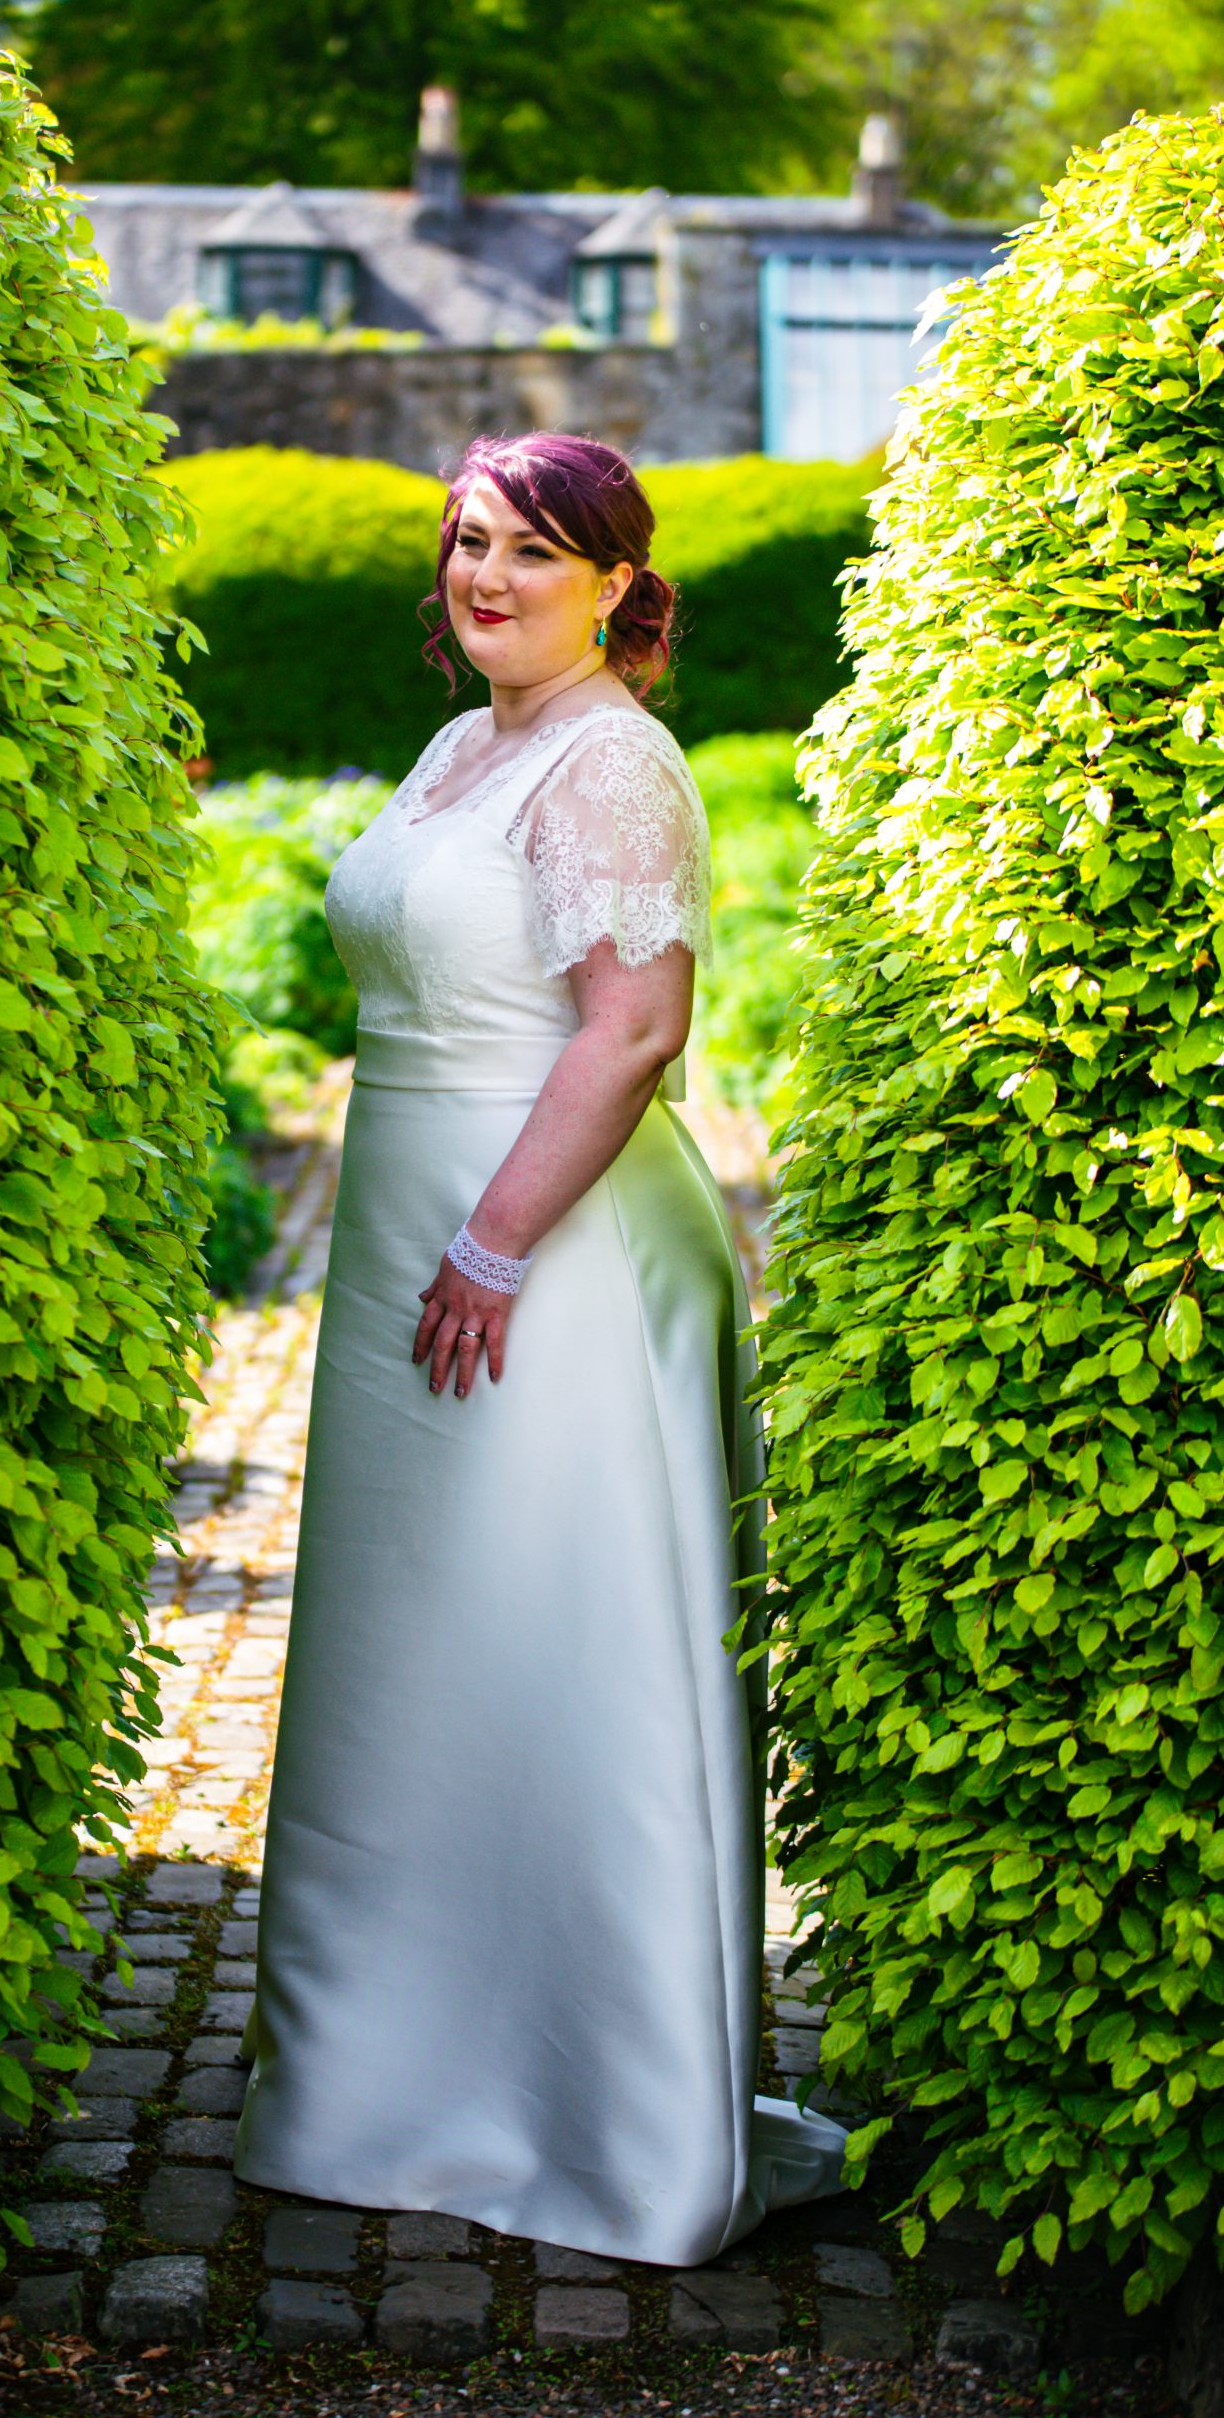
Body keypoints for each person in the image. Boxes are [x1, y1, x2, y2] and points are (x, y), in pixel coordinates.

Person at [232, 432, 844, 2263]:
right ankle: (398, 2076)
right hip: (415, 1245)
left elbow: (638, 1029)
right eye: (470, 545)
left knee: (553, 1643)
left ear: (614, 582)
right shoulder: (462, 746)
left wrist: (494, 1243)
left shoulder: (612, 758)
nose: (486, 577)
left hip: (549, 1258)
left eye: (531, 550)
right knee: (424, 1652)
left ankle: (606, 2111)